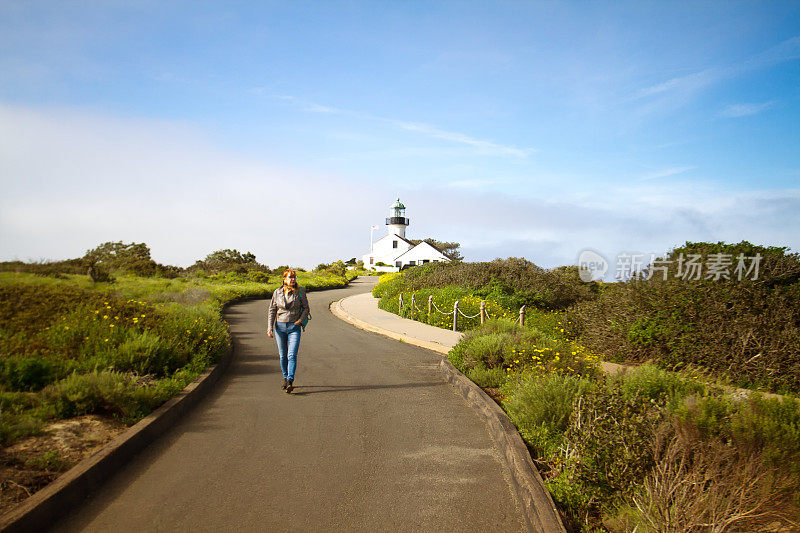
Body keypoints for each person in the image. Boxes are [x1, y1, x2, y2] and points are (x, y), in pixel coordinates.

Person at [267, 268, 310, 394]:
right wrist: (270, 327)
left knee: (292, 355)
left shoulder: (300, 291)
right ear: (284, 279)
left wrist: (300, 321)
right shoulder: (277, 292)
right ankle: (285, 378)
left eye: (294, 277)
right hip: (280, 327)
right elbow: (272, 310)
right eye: (290, 277)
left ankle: (290, 380)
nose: (293, 279)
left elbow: (306, 308)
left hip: (294, 327)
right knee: (283, 355)